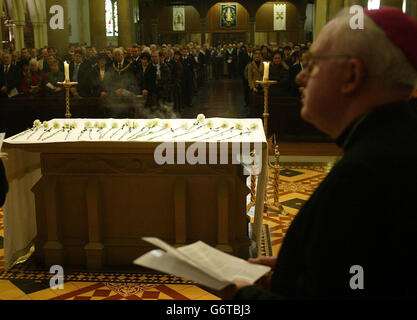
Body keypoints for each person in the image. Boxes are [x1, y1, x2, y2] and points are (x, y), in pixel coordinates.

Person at [224, 7, 417, 299]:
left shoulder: (365, 173)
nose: (300, 78)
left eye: (312, 64)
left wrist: (243, 295)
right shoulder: (394, 141)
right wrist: (297, 267)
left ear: (351, 75)